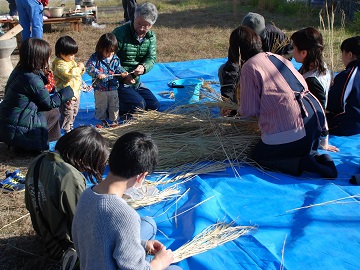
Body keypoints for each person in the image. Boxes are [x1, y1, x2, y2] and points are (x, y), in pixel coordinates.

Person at [232, 26, 339, 178]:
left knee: (258, 156)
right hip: (315, 122)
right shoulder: (276, 57)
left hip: (296, 127)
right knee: (295, 144)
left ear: (237, 50)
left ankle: (305, 163)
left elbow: (249, 111)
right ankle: (319, 157)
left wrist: (234, 113)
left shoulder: (249, 67)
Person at [72, 131, 181, 270]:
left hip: (89, 261)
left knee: (149, 224)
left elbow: (99, 238)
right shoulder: (125, 216)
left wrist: (141, 244)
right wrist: (159, 263)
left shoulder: (87, 194)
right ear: (141, 176)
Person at [24, 126, 109, 267]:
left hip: (45, 236)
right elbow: (85, 225)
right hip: (65, 249)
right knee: (145, 224)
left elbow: (30, 203)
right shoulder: (70, 176)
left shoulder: (38, 160)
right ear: (82, 158)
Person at [0, 38, 73, 153]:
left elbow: (38, 96)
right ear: (39, 58)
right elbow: (48, 104)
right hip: (17, 127)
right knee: (54, 112)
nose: (49, 59)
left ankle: (47, 141)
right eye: (47, 56)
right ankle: (31, 144)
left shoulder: (20, 70)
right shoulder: (32, 78)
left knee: (50, 112)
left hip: (8, 122)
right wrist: (67, 93)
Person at [112, 2, 160, 116]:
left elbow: (151, 57)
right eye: (139, 24)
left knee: (154, 106)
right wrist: (123, 73)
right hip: (118, 81)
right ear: (134, 17)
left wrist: (144, 67)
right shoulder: (120, 33)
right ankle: (115, 104)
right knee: (138, 106)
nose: (141, 28)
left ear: (152, 25)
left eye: (146, 26)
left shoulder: (150, 37)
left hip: (135, 81)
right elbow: (110, 58)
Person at [86, 33, 131, 128]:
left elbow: (118, 68)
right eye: (107, 51)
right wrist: (97, 73)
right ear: (101, 48)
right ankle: (101, 121)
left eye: (112, 52)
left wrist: (123, 72)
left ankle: (114, 121)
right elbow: (89, 68)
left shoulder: (115, 58)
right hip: (100, 89)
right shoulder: (95, 58)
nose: (110, 54)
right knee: (101, 106)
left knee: (114, 105)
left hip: (113, 87)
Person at [326, 36, 360, 136]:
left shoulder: (347, 76)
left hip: (350, 126)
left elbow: (331, 105)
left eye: (342, 53)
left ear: (350, 54)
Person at [291, 27, 332, 110]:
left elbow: (319, 109)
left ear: (303, 53)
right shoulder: (320, 66)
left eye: (294, 47)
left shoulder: (312, 82)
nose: (292, 51)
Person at [52, 36, 85, 133]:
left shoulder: (70, 61)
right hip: (66, 95)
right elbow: (68, 75)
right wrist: (78, 68)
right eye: (71, 54)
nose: (73, 57)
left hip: (75, 93)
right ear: (62, 53)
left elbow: (78, 74)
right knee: (68, 112)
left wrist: (81, 69)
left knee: (74, 111)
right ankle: (66, 130)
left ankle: (69, 125)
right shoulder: (59, 64)